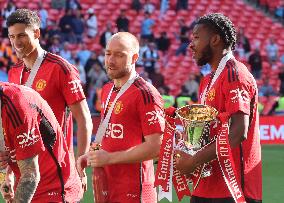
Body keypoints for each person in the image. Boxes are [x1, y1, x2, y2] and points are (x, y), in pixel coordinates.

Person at [175, 13, 262, 203]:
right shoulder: (207, 80)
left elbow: (239, 132)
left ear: (215, 39)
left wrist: (194, 159)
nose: (191, 44)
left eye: (197, 37)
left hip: (233, 188)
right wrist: (183, 147)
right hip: (205, 186)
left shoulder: (235, 74)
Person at [6, 8, 93, 187]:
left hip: (56, 173)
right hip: (25, 175)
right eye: (12, 37)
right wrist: (8, 174)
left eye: (21, 35)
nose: (16, 43)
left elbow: (84, 119)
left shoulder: (61, 68)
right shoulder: (14, 73)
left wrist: (81, 164)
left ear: (37, 33)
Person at [78, 32, 165, 202]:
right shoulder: (107, 90)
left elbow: (156, 147)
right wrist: (91, 155)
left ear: (134, 58)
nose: (110, 60)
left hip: (135, 192)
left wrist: (110, 158)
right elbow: (111, 136)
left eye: (119, 55)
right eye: (108, 53)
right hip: (107, 187)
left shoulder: (145, 94)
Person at [0, 82, 83, 202]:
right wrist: (6, 175)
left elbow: (30, 176)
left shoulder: (16, 105)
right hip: (28, 187)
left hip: (55, 191)